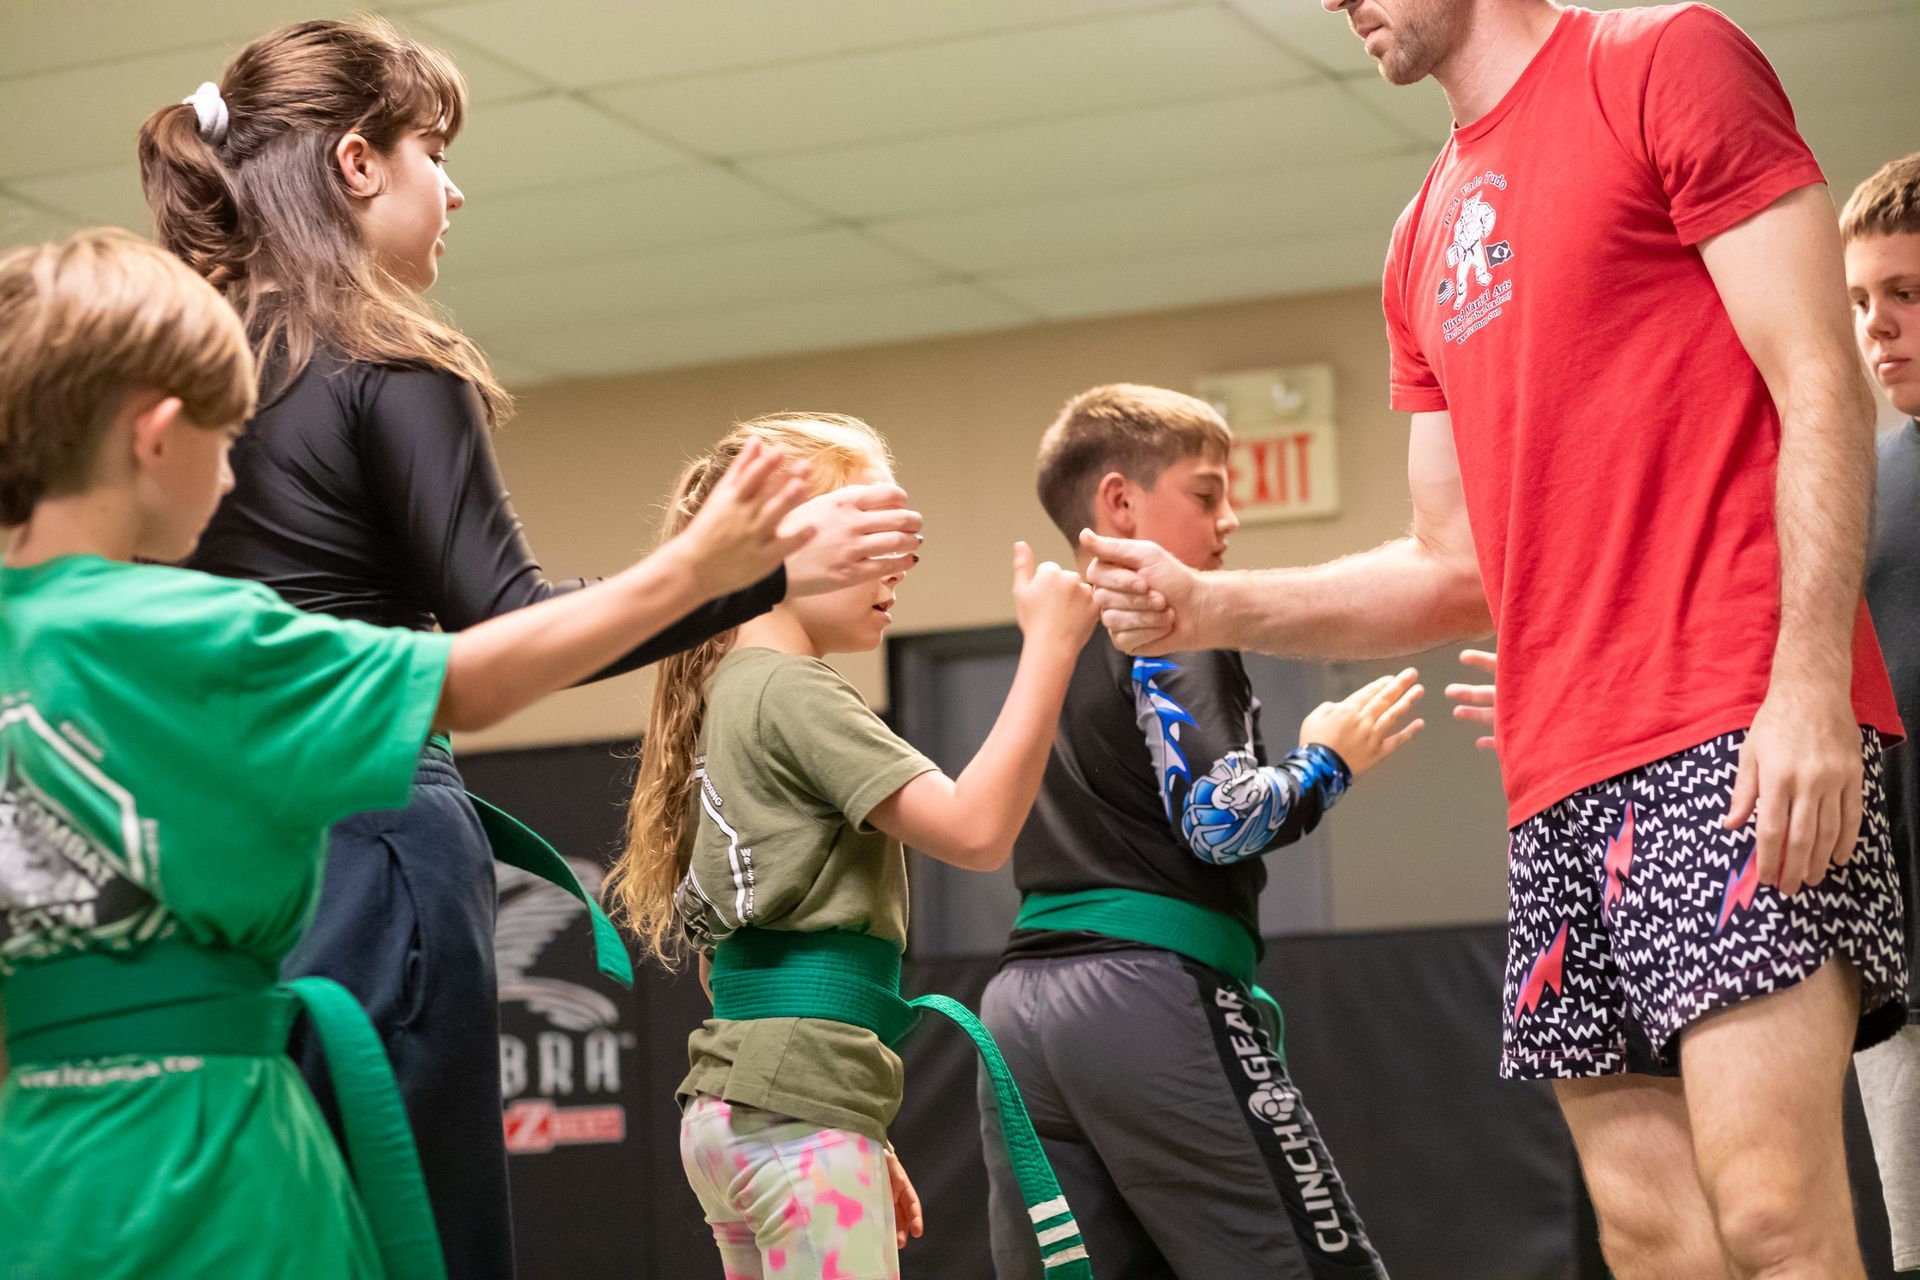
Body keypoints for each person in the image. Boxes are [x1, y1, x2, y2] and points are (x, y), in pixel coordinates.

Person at [1083, 3, 1910, 1275]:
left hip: (1734, 724)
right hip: (1560, 777)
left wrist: (1808, 687)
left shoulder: (1662, 62)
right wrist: (1210, 606)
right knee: (1652, 1239)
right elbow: (1451, 565)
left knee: (1767, 1212)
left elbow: (1819, 376)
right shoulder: (1422, 234)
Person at [135, 19, 921, 1277]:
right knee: (412, 1228)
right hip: (371, 839)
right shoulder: (388, 366)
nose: (453, 191)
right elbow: (508, 623)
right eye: (434, 153)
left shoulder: (170, 384)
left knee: (265, 1224)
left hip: (206, 850)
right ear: (356, 162)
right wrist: (743, 574)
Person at [0, 230, 812, 1278]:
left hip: (36, 1177)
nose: (235, 468)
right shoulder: (204, 633)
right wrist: (694, 569)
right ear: (156, 437)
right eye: (231, 437)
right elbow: (472, 676)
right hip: (214, 1167)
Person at [607, 412, 1101, 1280]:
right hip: (796, 1122)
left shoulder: (724, 693)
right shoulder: (794, 690)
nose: (897, 564)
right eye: (866, 532)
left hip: (736, 1113)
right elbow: (976, 830)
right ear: (776, 545)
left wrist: (843, 1119)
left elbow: (727, 964)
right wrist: (1051, 650)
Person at [978, 384, 1422, 1279]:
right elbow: (1221, 821)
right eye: (1206, 493)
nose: (1230, 521)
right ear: (1120, 502)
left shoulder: (1048, 642)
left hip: (1017, 1016)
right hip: (1141, 997)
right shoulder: (1172, 619)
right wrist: (1328, 760)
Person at [1845, 149, 1920, 1275]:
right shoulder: (1853, 482)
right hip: (1899, 962)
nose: (1878, 327)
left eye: (1905, 292)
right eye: (1862, 300)